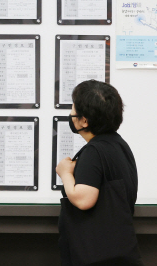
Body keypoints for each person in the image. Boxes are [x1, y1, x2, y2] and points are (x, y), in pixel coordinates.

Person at [56, 80, 141, 265]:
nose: (70, 114)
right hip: (119, 252)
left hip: (96, 256)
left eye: (73, 109)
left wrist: (65, 173)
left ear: (84, 120)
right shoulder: (119, 145)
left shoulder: (94, 152)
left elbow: (83, 199)